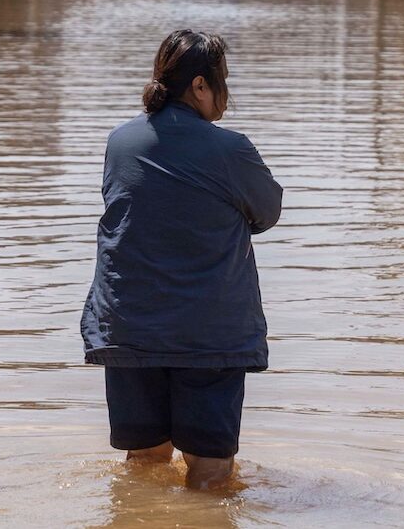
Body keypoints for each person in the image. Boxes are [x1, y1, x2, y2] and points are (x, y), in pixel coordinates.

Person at [82, 30, 283, 490]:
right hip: (207, 335)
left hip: (130, 329)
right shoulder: (230, 149)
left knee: (145, 464)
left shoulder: (121, 142)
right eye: (223, 81)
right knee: (211, 471)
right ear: (199, 86)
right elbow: (267, 213)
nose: (226, 94)